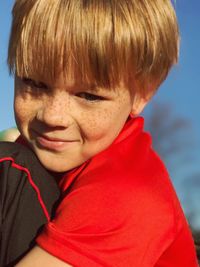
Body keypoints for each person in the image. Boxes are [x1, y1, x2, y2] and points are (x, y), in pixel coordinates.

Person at [1, 0, 199, 266]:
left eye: (88, 96)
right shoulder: (37, 148)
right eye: (35, 84)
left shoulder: (129, 195)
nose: (52, 116)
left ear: (143, 94)